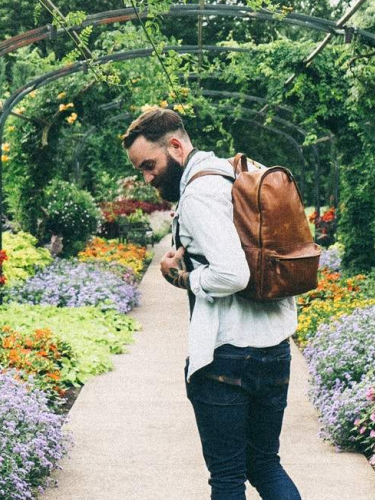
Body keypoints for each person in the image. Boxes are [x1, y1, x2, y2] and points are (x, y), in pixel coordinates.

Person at [121, 107, 302, 500]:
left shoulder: (200, 194)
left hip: (227, 358)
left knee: (227, 478)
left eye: (149, 165)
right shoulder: (234, 172)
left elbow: (233, 274)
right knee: (266, 464)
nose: (147, 177)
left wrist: (182, 277)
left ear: (175, 145)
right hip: (273, 350)